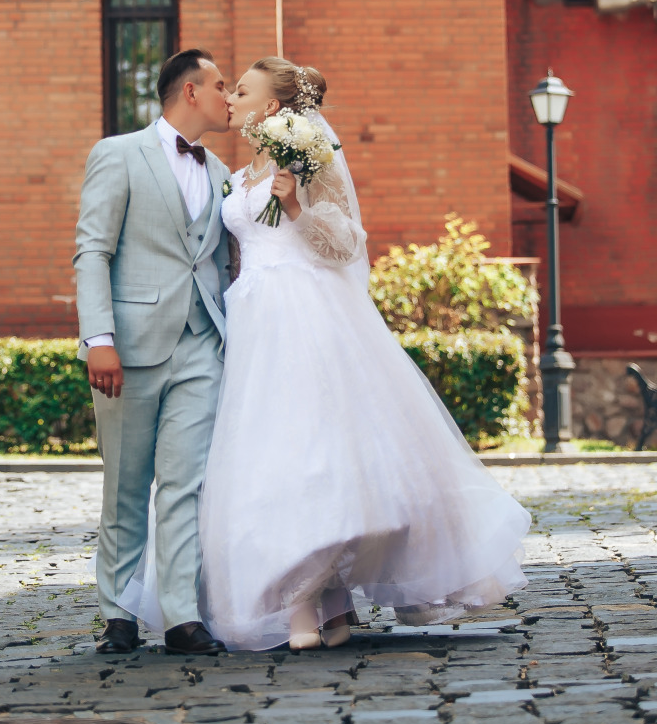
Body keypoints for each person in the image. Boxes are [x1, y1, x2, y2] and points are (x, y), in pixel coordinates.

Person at [127, 56, 531, 653]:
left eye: (241, 91)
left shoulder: (305, 159)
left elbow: (346, 245)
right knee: (270, 453)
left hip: (305, 312)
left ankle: (306, 603)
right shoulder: (235, 178)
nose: (231, 98)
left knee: (314, 450)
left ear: (270, 108)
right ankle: (331, 607)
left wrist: (294, 205)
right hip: (252, 318)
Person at [74, 48, 232, 657]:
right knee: (125, 484)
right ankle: (117, 613)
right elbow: (93, 251)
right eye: (220, 85)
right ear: (190, 91)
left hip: (201, 345)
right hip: (130, 348)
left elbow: (217, 262)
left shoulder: (221, 172)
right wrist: (100, 341)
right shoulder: (118, 154)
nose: (227, 95)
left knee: (185, 485)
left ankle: (182, 617)